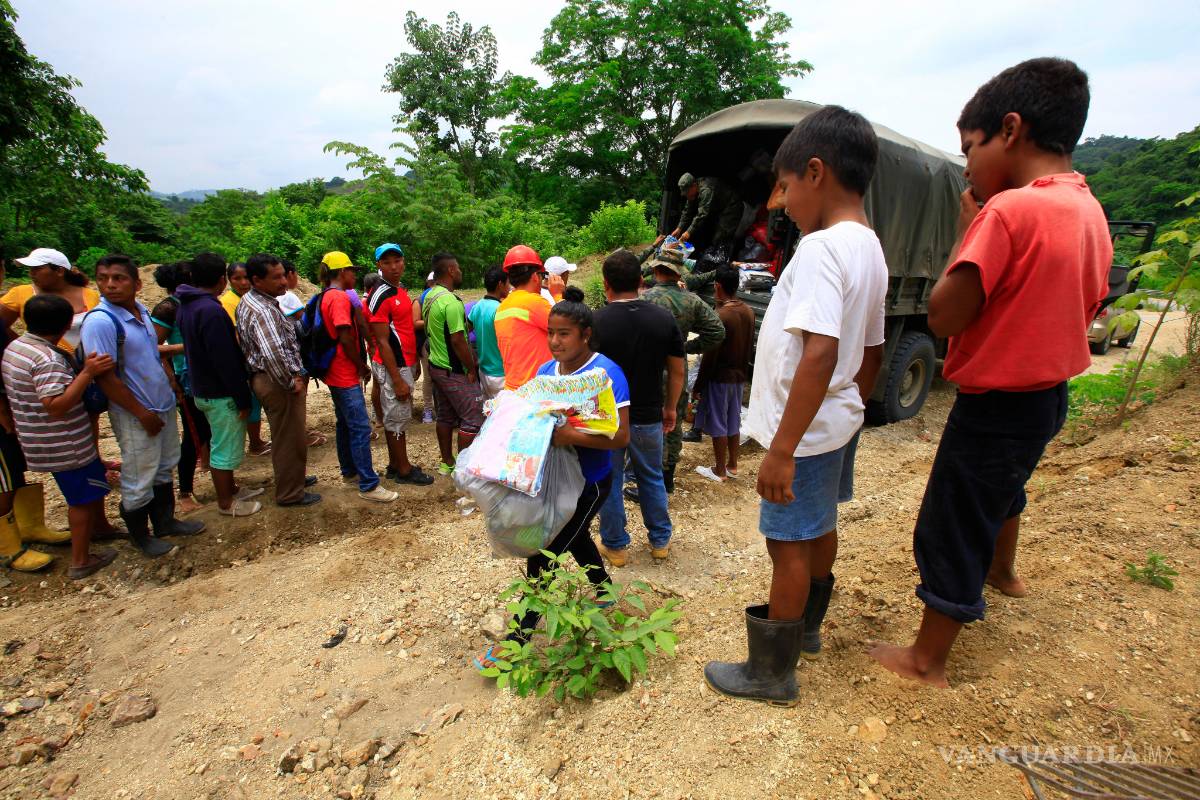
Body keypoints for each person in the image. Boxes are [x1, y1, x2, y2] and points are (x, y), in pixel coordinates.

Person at [869, 58, 1112, 688]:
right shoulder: (1089, 211)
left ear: (1010, 130)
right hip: (1047, 397)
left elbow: (946, 316)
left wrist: (965, 229)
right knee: (1005, 492)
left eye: (969, 148)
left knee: (952, 520)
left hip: (995, 403)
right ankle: (1004, 572)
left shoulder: (1007, 214)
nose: (968, 165)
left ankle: (927, 659)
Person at [704, 105, 887, 706]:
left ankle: (770, 674)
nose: (779, 203)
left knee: (786, 544)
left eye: (783, 187)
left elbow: (820, 352)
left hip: (803, 433)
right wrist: (851, 406)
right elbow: (873, 349)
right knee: (820, 524)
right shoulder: (871, 248)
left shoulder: (820, 249)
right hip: (835, 423)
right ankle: (806, 629)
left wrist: (781, 449)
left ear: (816, 172)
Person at [475, 287, 631, 670]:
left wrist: (570, 435)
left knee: (545, 550)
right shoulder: (547, 371)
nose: (555, 341)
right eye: (550, 332)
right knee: (573, 535)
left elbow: (621, 435)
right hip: (554, 478)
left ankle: (518, 641)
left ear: (585, 334)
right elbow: (534, 414)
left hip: (591, 480)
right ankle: (604, 590)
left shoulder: (605, 374)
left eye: (564, 334)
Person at [82, 254, 205, 558]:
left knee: (164, 465)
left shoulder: (141, 313)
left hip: (160, 404)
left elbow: (153, 356)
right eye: (104, 278)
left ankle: (165, 521)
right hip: (135, 412)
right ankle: (141, 536)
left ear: (136, 283)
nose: (110, 285)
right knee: (139, 473)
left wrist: (171, 386)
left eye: (118, 278)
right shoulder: (101, 321)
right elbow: (106, 377)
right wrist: (140, 412)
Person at [2, 295, 120, 579]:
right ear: (67, 324)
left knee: (90, 489)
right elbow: (55, 405)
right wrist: (87, 373)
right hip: (64, 442)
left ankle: (100, 529)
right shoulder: (47, 359)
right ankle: (81, 560)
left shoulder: (17, 347)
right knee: (81, 499)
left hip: (39, 438)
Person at [590, 249, 684, 565]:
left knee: (610, 480)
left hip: (609, 419)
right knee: (651, 477)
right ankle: (660, 541)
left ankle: (615, 546)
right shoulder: (663, 318)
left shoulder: (596, 322)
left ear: (606, 283)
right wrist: (670, 408)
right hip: (649, 415)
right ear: (640, 281)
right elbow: (678, 369)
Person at [176, 254, 263, 517]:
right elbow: (225, 359)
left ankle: (232, 488)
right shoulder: (211, 311)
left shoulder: (187, 306)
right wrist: (242, 397)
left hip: (202, 386)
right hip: (219, 391)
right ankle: (227, 502)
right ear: (221, 280)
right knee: (224, 447)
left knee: (219, 442)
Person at [238, 253, 321, 507]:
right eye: (276, 278)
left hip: (269, 378)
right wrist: (290, 381)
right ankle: (290, 493)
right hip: (275, 381)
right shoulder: (263, 310)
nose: (284, 281)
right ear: (257, 280)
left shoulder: (254, 301)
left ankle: (294, 480)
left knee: (288, 434)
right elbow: (273, 354)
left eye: (284, 275)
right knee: (288, 437)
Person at [642, 244, 725, 492]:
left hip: (648, 371)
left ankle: (646, 478)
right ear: (679, 273)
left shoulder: (643, 299)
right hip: (677, 371)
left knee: (645, 422)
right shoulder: (692, 301)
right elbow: (717, 332)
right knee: (674, 422)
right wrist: (687, 348)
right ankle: (668, 478)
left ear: (656, 270)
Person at [319, 251, 399, 502]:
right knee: (360, 427)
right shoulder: (339, 299)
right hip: (344, 372)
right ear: (342, 272)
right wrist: (360, 366)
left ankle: (350, 471)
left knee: (344, 423)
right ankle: (368, 484)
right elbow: (344, 335)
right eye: (351, 270)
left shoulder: (327, 296)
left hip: (334, 372)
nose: (354, 274)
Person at [365, 244, 433, 487]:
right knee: (396, 417)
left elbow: (404, 330)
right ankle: (403, 469)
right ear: (379, 266)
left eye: (397, 260)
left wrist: (413, 361)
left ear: (403, 261)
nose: (394, 266)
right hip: (393, 365)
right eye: (387, 262)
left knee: (399, 416)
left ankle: (396, 464)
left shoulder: (398, 291)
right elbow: (382, 341)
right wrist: (396, 379)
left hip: (404, 361)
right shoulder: (380, 295)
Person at [150, 261, 211, 515]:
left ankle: (210, 473)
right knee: (193, 436)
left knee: (206, 432)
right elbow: (152, 347)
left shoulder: (191, 304)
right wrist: (185, 348)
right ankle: (185, 492)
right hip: (185, 380)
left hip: (203, 377)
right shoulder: (168, 308)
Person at [422, 252, 484, 475]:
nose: (460, 272)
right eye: (458, 268)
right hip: (453, 369)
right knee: (474, 416)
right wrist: (470, 367)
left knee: (446, 416)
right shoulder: (450, 301)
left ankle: (447, 462)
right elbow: (457, 339)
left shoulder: (431, 295)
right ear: (450, 270)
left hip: (436, 366)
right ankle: (464, 469)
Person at [693, 265, 755, 482]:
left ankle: (719, 470)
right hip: (739, 377)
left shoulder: (720, 315)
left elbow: (711, 354)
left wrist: (699, 385)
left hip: (720, 378)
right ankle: (732, 465)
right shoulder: (748, 311)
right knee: (732, 420)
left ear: (717, 286)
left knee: (718, 421)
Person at [1, 248, 101, 352]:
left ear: (59, 271)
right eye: (30, 269)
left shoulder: (90, 295)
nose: (31, 274)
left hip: (87, 363)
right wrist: (24, 347)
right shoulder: (20, 293)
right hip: (44, 365)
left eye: (37, 268)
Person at [220, 261, 270, 457]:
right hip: (244, 362)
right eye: (237, 278)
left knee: (255, 403)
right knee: (250, 404)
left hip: (252, 361)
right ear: (228, 280)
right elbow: (237, 337)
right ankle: (255, 443)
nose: (243, 283)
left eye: (246, 278)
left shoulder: (249, 298)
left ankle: (256, 440)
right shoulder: (228, 302)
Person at [494, 245, 553, 391]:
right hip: (537, 391)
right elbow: (570, 328)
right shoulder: (534, 302)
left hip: (512, 389)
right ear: (535, 276)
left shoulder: (502, 306)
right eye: (542, 275)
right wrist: (558, 295)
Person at [671, 173, 744, 258]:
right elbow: (687, 211)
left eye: (687, 192)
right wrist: (679, 228)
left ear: (694, 185)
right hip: (720, 208)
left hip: (732, 206)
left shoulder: (706, 190)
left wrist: (688, 232)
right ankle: (711, 258)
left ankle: (722, 263)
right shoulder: (692, 191)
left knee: (721, 237)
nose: (686, 195)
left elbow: (702, 214)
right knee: (710, 234)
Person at [467, 266, 509, 400]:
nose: (509, 287)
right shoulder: (500, 309)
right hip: (499, 373)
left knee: (489, 412)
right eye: (507, 283)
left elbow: (466, 329)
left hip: (484, 370)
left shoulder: (478, 305)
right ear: (500, 284)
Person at [414, 271, 437, 424]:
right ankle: (428, 409)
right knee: (429, 377)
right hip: (426, 343)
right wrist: (434, 320)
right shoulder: (420, 299)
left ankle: (440, 408)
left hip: (440, 342)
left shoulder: (445, 296)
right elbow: (415, 323)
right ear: (428, 283)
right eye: (432, 281)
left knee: (442, 376)